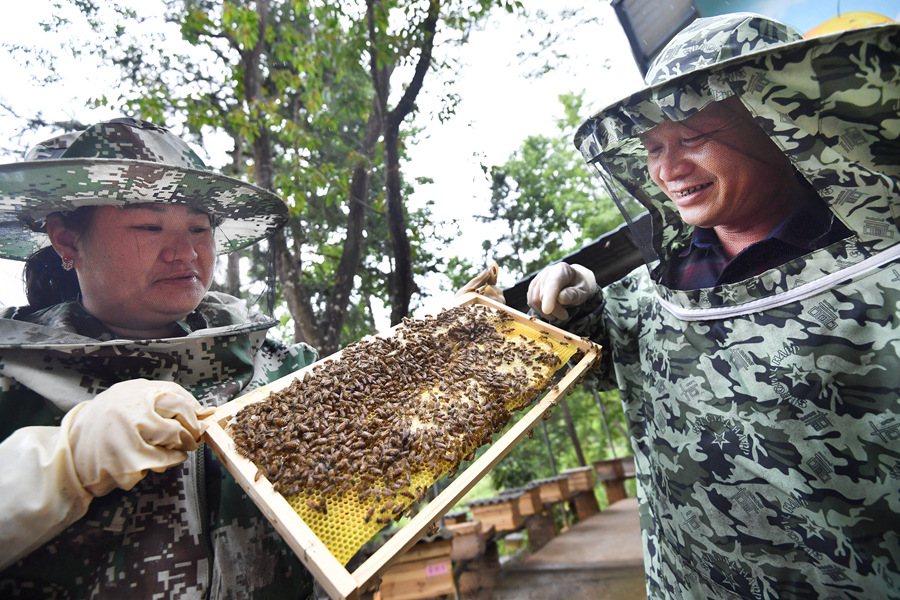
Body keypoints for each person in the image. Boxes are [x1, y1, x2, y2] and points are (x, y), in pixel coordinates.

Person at [525, 13, 900, 599]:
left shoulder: (878, 268)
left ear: (776, 121)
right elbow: (595, 355)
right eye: (653, 147)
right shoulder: (659, 288)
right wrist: (573, 297)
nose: (668, 171)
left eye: (693, 137)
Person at [0, 118, 319, 598]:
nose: (185, 252)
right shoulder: (10, 380)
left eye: (199, 226)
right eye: (150, 226)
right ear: (66, 239)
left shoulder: (282, 368)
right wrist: (61, 465)